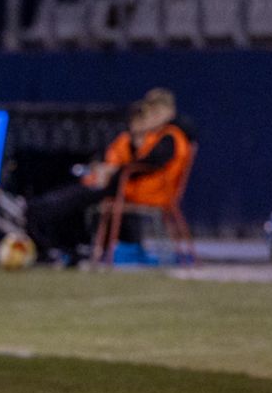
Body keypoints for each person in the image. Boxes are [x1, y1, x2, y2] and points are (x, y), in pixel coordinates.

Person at [24, 92, 193, 264]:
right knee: (76, 193)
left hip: (147, 192)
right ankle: (59, 238)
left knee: (81, 196)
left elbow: (147, 164)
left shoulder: (170, 136)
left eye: (150, 115)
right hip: (123, 188)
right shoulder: (132, 139)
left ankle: (54, 236)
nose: (144, 121)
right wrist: (106, 170)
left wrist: (113, 172)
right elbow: (113, 160)